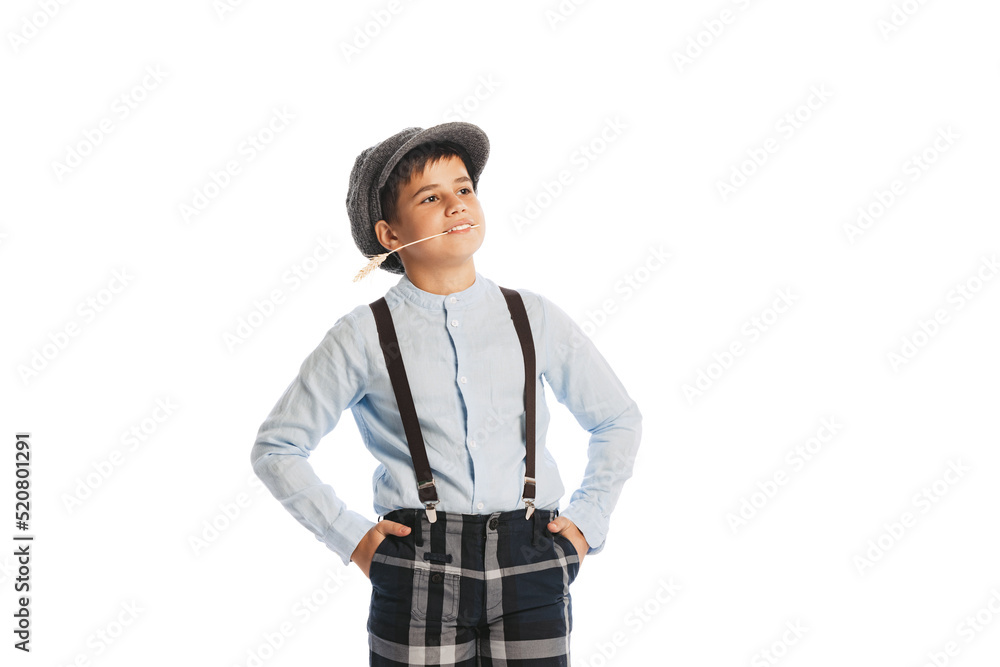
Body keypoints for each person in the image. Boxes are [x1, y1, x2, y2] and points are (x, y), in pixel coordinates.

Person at [250, 121, 642, 666]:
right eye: (430, 197)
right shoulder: (362, 335)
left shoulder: (532, 316)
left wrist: (588, 524)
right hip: (416, 565)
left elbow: (617, 419)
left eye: (464, 189)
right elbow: (276, 449)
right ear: (390, 235)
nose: (457, 204)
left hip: (531, 555)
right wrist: (354, 539)